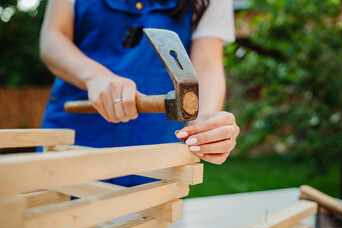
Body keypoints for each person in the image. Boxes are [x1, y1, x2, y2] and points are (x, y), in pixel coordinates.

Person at [40, 0, 240, 186]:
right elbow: (53, 37)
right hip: (77, 130)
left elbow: (206, 64)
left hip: (157, 142)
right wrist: (95, 77)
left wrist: (203, 123)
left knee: (149, 212)